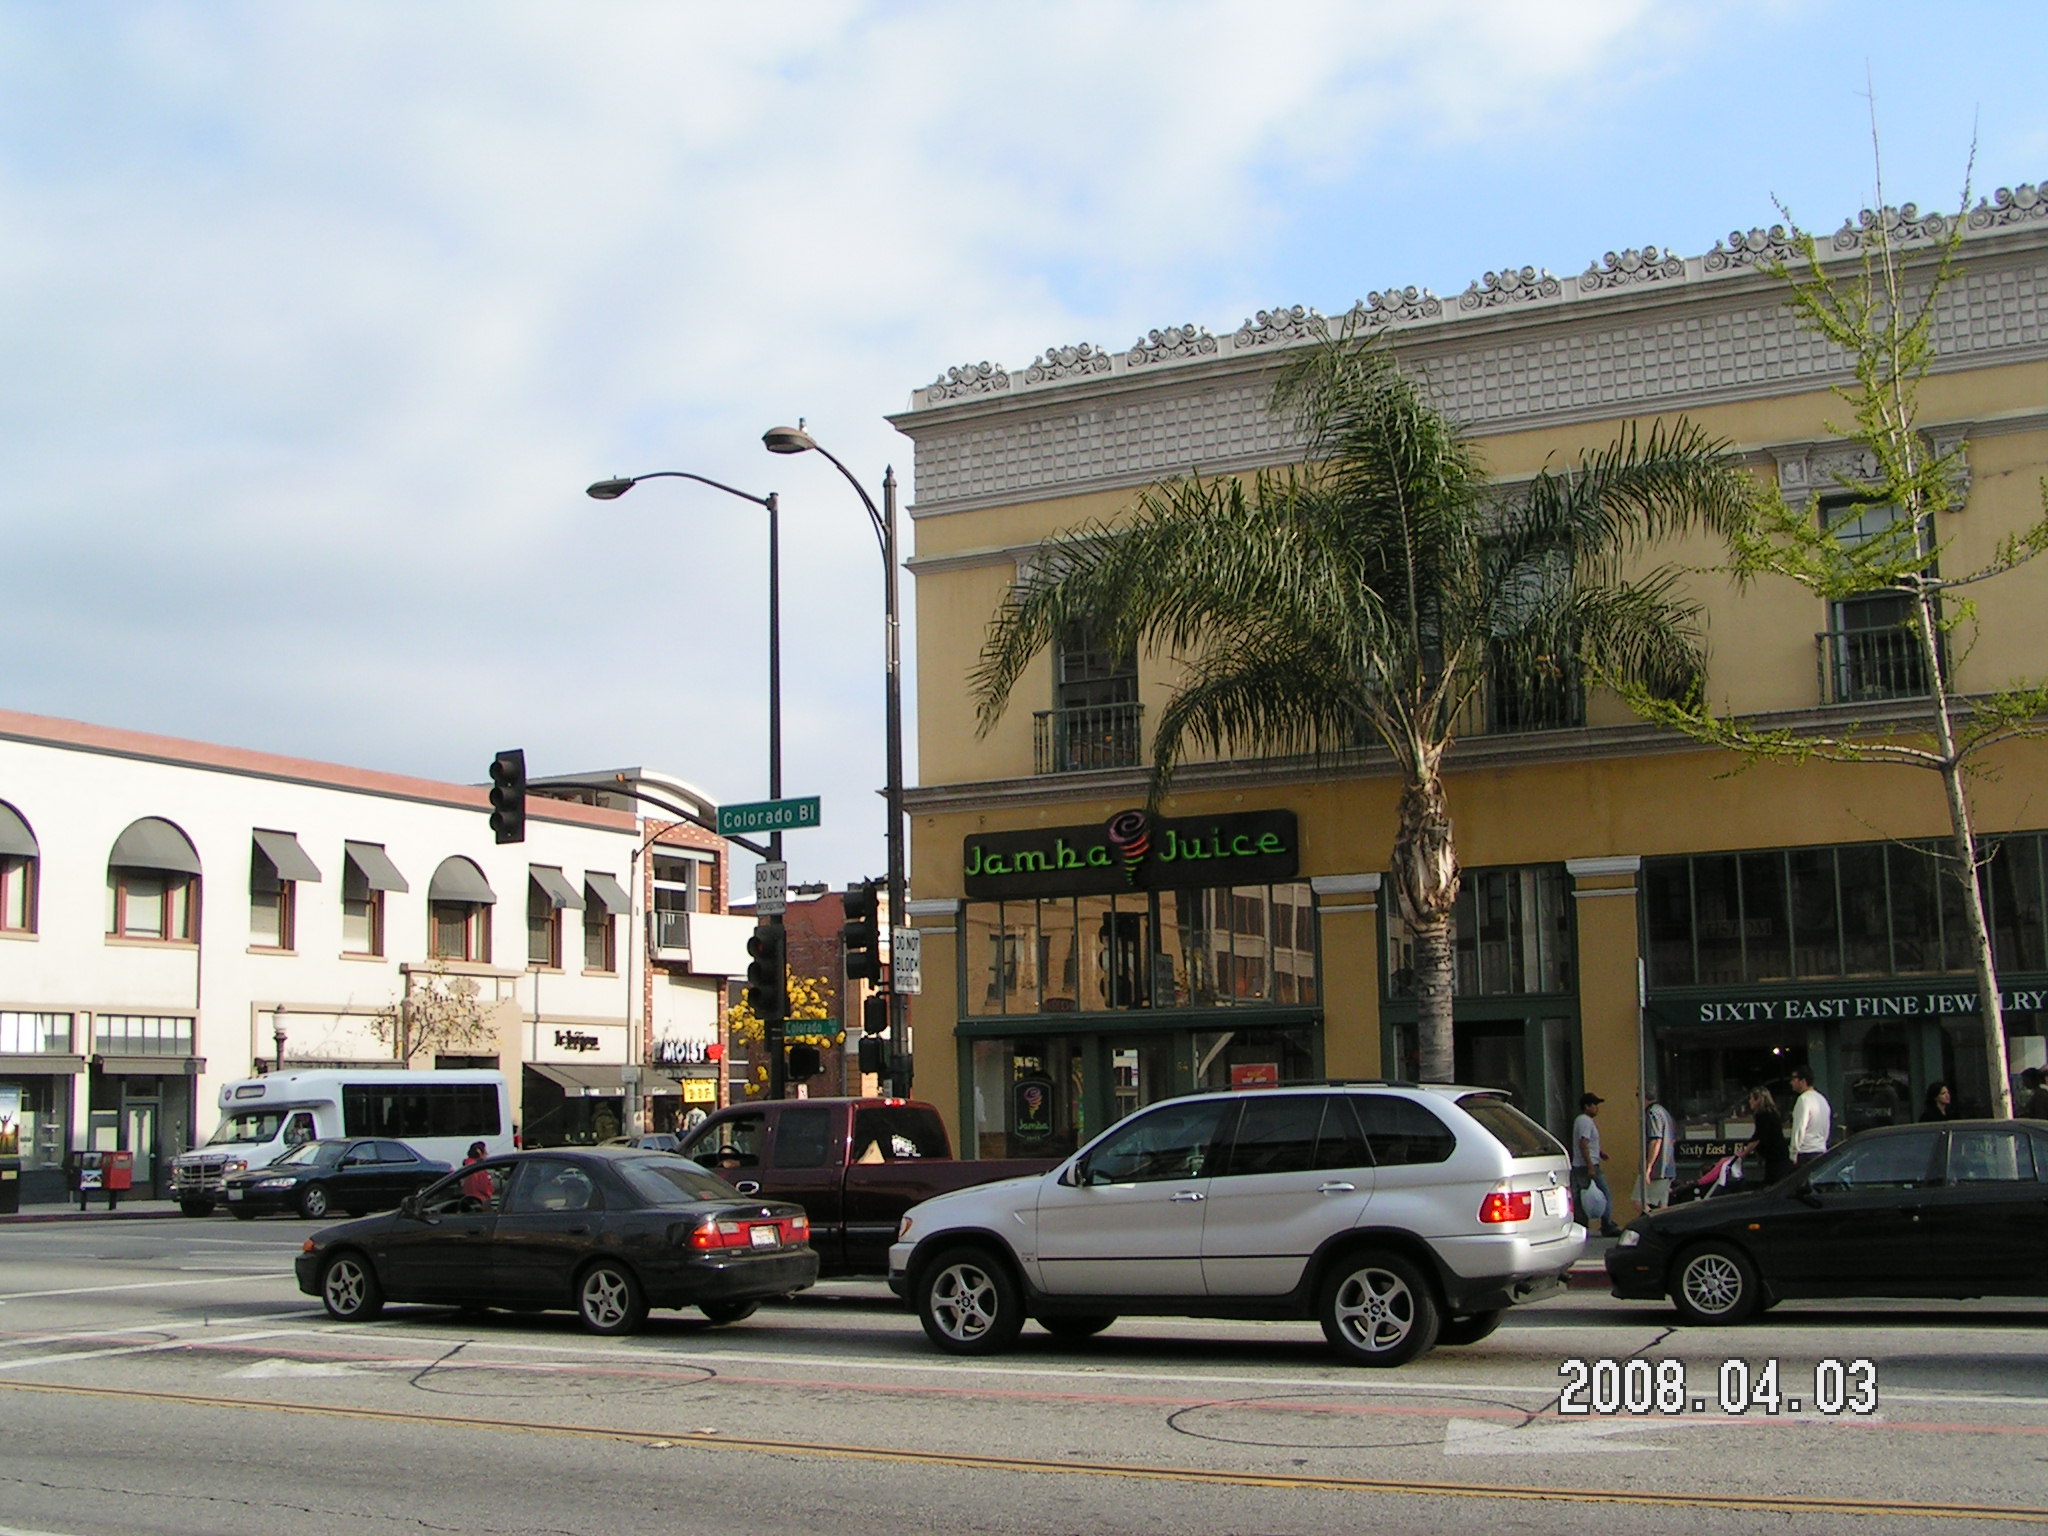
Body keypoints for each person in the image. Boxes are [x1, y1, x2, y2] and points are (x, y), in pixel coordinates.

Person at [1571, 1092, 1620, 1238]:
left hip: (1582, 1165)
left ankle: (1581, 1225)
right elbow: (1583, 1143)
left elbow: (1588, 1143)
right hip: (1587, 1166)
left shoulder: (1582, 1121)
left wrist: (1600, 1152)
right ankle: (1607, 1224)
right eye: (1594, 1105)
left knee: (1582, 1197)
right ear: (1587, 1106)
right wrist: (1590, 1165)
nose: (1597, 1108)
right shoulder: (1585, 1121)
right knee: (1604, 1195)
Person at [1741, 1085, 1793, 1186]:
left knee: (1773, 1184)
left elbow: (1758, 1137)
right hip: (1779, 1156)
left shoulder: (1762, 1116)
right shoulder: (1772, 1113)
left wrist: (1744, 1153)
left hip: (1775, 1158)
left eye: (1751, 1098)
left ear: (1758, 1100)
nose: (1749, 1101)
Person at [1640, 1087, 1677, 1212]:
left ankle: (1652, 1223)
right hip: (1667, 1167)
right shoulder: (1663, 1112)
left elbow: (1656, 1140)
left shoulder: (1652, 1113)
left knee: (1639, 1202)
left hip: (1658, 1169)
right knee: (1662, 1207)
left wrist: (1648, 1167)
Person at [1788, 1065, 1832, 1166]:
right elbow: (1826, 1127)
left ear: (1803, 1081)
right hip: (1820, 1150)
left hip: (1805, 1152)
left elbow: (1799, 1128)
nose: (1791, 1082)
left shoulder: (1803, 1099)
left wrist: (1793, 1153)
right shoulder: (1822, 1099)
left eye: (1793, 1079)